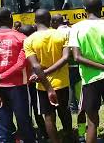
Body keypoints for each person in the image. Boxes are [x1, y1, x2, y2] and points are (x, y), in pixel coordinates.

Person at [69, 0, 104, 143]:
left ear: (84, 9)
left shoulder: (76, 28)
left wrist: (101, 67)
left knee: (92, 122)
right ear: (101, 9)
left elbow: (77, 57)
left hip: (89, 80)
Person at [24, 9, 72, 143]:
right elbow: (66, 57)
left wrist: (44, 75)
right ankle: (70, 137)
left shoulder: (29, 40)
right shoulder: (61, 35)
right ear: (50, 20)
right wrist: (48, 71)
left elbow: (35, 66)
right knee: (65, 112)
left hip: (43, 86)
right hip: (62, 82)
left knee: (48, 116)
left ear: (35, 21)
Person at [0, 8, 36, 142]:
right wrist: (1, 78)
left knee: (3, 125)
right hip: (19, 86)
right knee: (25, 124)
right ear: (11, 18)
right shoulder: (21, 37)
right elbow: (21, 64)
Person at [18, 24, 48, 141]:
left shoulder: (25, 45)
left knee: (28, 110)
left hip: (27, 82)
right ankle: (43, 132)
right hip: (37, 80)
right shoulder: (35, 43)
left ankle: (33, 133)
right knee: (39, 110)